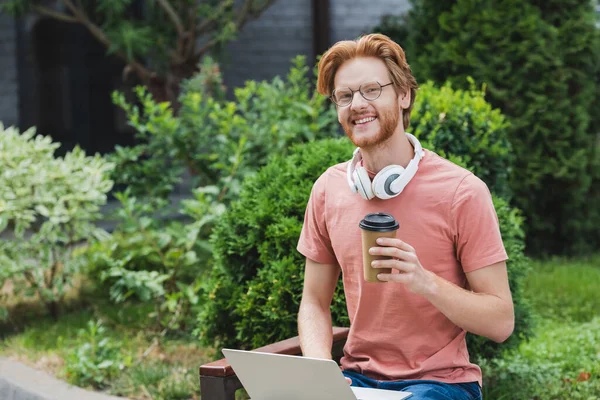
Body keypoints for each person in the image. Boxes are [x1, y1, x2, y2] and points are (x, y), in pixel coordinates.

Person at [296, 33, 514, 400]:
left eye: (371, 90)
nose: (357, 105)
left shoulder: (462, 191)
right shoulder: (328, 190)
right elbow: (314, 302)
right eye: (345, 96)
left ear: (403, 94)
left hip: (441, 384)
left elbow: (501, 321)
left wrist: (424, 281)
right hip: (359, 382)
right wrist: (322, 375)